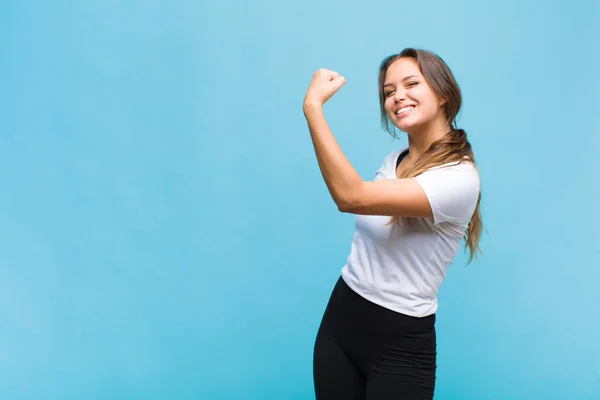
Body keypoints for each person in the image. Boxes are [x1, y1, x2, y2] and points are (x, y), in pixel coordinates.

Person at [302, 48, 483, 399]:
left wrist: (313, 108)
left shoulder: (458, 179)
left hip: (398, 344)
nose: (397, 96)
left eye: (411, 83)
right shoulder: (394, 161)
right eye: (388, 91)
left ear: (443, 93)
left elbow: (350, 196)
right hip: (341, 321)